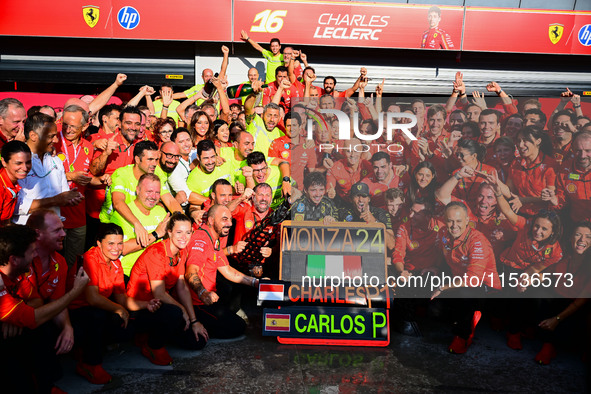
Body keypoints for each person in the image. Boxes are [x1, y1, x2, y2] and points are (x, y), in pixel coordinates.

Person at [0, 225, 89, 393]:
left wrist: (14, 316)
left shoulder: (19, 272)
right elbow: (33, 317)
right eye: (32, 252)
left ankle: (45, 386)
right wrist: (76, 291)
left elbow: (36, 301)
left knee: (38, 332)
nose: (35, 256)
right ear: (14, 259)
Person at [490, 177, 564, 351]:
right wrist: (499, 193)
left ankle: (525, 327)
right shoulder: (526, 226)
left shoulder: (556, 250)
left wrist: (527, 278)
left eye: (544, 229)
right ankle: (513, 332)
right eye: (537, 226)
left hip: (529, 272)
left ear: (553, 232)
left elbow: (539, 269)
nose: (538, 231)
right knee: (514, 295)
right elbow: (508, 212)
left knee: (536, 296)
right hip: (509, 266)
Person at [126, 213, 208, 364]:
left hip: (160, 306)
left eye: (188, 232)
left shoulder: (181, 251)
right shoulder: (157, 252)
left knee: (198, 341)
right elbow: (159, 293)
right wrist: (183, 310)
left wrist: (194, 320)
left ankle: (156, 335)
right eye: (179, 232)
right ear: (169, 232)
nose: (184, 237)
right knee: (175, 312)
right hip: (140, 308)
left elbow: (182, 286)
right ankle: (152, 346)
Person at [68, 223, 140, 384]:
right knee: (100, 316)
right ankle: (89, 364)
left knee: (130, 321)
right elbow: (92, 298)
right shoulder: (89, 258)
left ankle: (90, 348)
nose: (116, 248)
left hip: (98, 307)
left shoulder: (115, 262)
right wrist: (120, 309)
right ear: (99, 243)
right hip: (75, 311)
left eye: (120, 243)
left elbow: (121, 298)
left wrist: (146, 305)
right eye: (111, 243)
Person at [431, 201, 500, 354]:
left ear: (467, 221)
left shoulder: (477, 241)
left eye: (459, 221)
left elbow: (473, 279)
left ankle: (462, 335)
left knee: (465, 294)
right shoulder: (443, 232)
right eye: (450, 221)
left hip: (484, 287)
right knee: (434, 306)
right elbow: (439, 253)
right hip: (458, 280)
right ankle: (457, 317)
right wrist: (434, 267)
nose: (454, 225)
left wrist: (443, 287)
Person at [184, 204, 258, 340]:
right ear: (211, 220)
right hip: (197, 304)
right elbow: (190, 272)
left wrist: (256, 282)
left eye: (230, 219)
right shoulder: (201, 239)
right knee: (238, 327)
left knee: (238, 323)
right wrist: (203, 293)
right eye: (224, 219)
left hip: (208, 300)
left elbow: (228, 271)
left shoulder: (214, 240)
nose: (229, 223)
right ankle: (191, 327)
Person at [100, 140, 181, 247]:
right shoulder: (121, 174)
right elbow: (118, 203)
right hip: (112, 225)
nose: (154, 164)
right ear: (137, 159)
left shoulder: (155, 174)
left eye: (156, 159)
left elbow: (170, 201)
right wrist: (137, 224)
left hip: (138, 223)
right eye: (150, 159)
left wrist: (182, 223)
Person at [535, 221, 591, 365]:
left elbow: (582, 300)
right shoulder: (562, 255)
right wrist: (528, 280)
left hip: (577, 308)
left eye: (588, 237)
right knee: (538, 294)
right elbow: (545, 276)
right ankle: (547, 344)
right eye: (578, 235)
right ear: (570, 237)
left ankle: (553, 344)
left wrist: (557, 319)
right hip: (557, 300)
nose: (581, 240)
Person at [14, 113, 84, 225]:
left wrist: (71, 197)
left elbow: (62, 194)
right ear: (33, 136)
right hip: (26, 233)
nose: (56, 140)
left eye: (55, 135)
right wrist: (55, 200)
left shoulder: (56, 161)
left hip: (53, 231)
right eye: (51, 136)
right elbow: (15, 205)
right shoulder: (16, 163)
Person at [87, 106, 140, 249]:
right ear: (120, 123)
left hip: (123, 211)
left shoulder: (138, 145)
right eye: (128, 123)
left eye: (137, 124)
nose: (132, 127)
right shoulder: (107, 141)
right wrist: (105, 153)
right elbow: (93, 171)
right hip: (99, 212)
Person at [110, 173, 170, 275]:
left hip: (156, 273)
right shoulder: (122, 215)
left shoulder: (161, 212)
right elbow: (122, 249)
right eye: (149, 191)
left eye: (157, 192)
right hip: (128, 274)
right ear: (138, 190)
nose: (153, 196)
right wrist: (155, 234)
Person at [554, 131, 591, 223]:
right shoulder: (565, 169)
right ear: (572, 150)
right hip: (577, 223)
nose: (582, 156)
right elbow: (562, 201)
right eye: (578, 150)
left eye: (588, 151)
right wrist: (554, 200)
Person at [0, 141, 31, 225]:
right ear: (3, 162)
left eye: (28, 162)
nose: (25, 168)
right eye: (18, 163)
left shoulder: (13, 182)